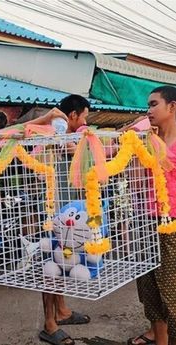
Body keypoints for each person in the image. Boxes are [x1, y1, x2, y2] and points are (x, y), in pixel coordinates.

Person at [24, 95, 91, 345]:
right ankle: (49, 324)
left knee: (62, 260)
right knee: (50, 267)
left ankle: (61, 311)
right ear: (73, 115)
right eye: (84, 115)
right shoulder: (53, 133)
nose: (85, 121)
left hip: (65, 212)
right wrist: (60, 143)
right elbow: (38, 169)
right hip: (49, 214)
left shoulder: (70, 138)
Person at [128, 86, 176, 345]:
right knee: (150, 290)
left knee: (172, 292)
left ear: (172, 107)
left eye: (154, 104)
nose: (148, 110)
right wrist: (134, 143)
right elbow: (135, 183)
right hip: (146, 220)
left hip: (172, 223)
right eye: (148, 105)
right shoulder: (147, 140)